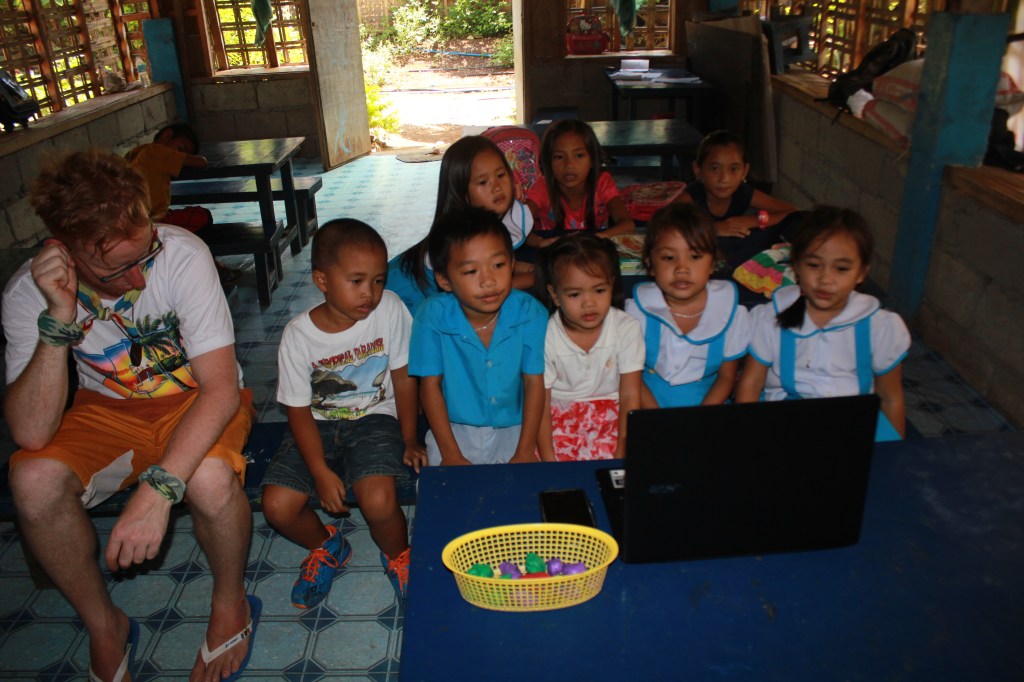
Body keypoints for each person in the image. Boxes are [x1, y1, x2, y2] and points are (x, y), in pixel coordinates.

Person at [2, 149, 258, 682]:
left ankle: (230, 602)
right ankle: (104, 624)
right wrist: (58, 321)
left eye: (146, 254)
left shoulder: (183, 254)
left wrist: (159, 488)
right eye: (118, 268)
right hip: (108, 410)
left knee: (208, 478)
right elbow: (30, 432)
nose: (140, 280)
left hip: (196, 398)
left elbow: (218, 390)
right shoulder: (27, 294)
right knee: (31, 478)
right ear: (63, 250)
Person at [261, 219, 426, 605]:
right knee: (277, 506)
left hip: (375, 418)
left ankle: (400, 557)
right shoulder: (298, 337)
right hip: (316, 425)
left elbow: (403, 378)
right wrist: (319, 470)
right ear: (321, 279)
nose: (371, 293)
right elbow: (299, 411)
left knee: (379, 502)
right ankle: (327, 546)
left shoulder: (391, 309)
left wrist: (409, 437)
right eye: (357, 281)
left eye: (379, 280)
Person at [736, 206, 909, 441]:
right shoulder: (769, 320)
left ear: (861, 273)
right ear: (796, 266)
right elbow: (751, 385)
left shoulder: (881, 328)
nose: (825, 279)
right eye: (814, 265)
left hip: (856, 423)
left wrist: (895, 456)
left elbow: (891, 398)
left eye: (841, 269)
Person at [408, 206, 548, 466]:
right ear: (445, 280)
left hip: (518, 425)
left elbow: (534, 384)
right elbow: (430, 387)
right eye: (471, 271)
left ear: (513, 264)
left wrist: (525, 450)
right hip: (452, 429)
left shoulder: (531, 314)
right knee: (449, 497)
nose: (488, 281)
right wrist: (450, 454)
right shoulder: (430, 317)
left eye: (498, 265)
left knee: (522, 496)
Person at [387, 136, 535, 313]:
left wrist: (526, 264)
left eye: (501, 175)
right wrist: (535, 277)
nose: (496, 186)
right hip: (411, 293)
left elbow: (484, 260)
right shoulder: (454, 236)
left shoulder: (502, 213)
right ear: (461, 193)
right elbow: (482, 288)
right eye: (482, 182)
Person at [625, 204, 751, 407]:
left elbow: (726, 377)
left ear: (713, 263)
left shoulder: (731, 314)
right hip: (646, 403)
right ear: (650, 263)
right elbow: (632, 376)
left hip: (707, 405)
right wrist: (655, 418)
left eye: (695, 257)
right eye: (668, 258)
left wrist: (697, 420)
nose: (681, 269)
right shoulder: (635, 313)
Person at [535, 233, 643, 461]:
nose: (589, 303)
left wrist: (622, 450)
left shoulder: (626, 328)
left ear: (612, 286)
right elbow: (541, 404)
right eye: (575, 294)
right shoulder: (546, 336)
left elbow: (630, 394)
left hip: (613, 417)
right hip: (559, 417)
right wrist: (548, 457)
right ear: (555, 295)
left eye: (599, 290)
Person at [126, 122, 240, 284]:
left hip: (135, 219)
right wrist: (187, 158)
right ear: (167, 135)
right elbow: (201, 162)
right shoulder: (157, 151)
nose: (178, 154)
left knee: (189, 221)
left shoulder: (136, 152)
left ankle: (209, 265)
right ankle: (210, 268)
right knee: (203, 216)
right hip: (155, 221)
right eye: (180, 149)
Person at [674, 130, 798, 270]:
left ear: (744, 171)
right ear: (698, 170)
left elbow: (791, 211)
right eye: (714, 169)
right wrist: (712, 228)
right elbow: (664, 225)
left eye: (733, 169)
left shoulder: (743, 192)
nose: (724, 179)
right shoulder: (691, 196)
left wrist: (754, 220)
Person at [526, 119, 636, 246]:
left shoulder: (602, 183)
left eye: (579, 155)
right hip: (556, 254)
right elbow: (517, 228)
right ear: (547, 163)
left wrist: (598, 238)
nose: (569, 165)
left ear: (592, 160)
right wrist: (539, 242)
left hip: (593, 253)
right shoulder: (542, 187)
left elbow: (628, 224)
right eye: (559, 157)